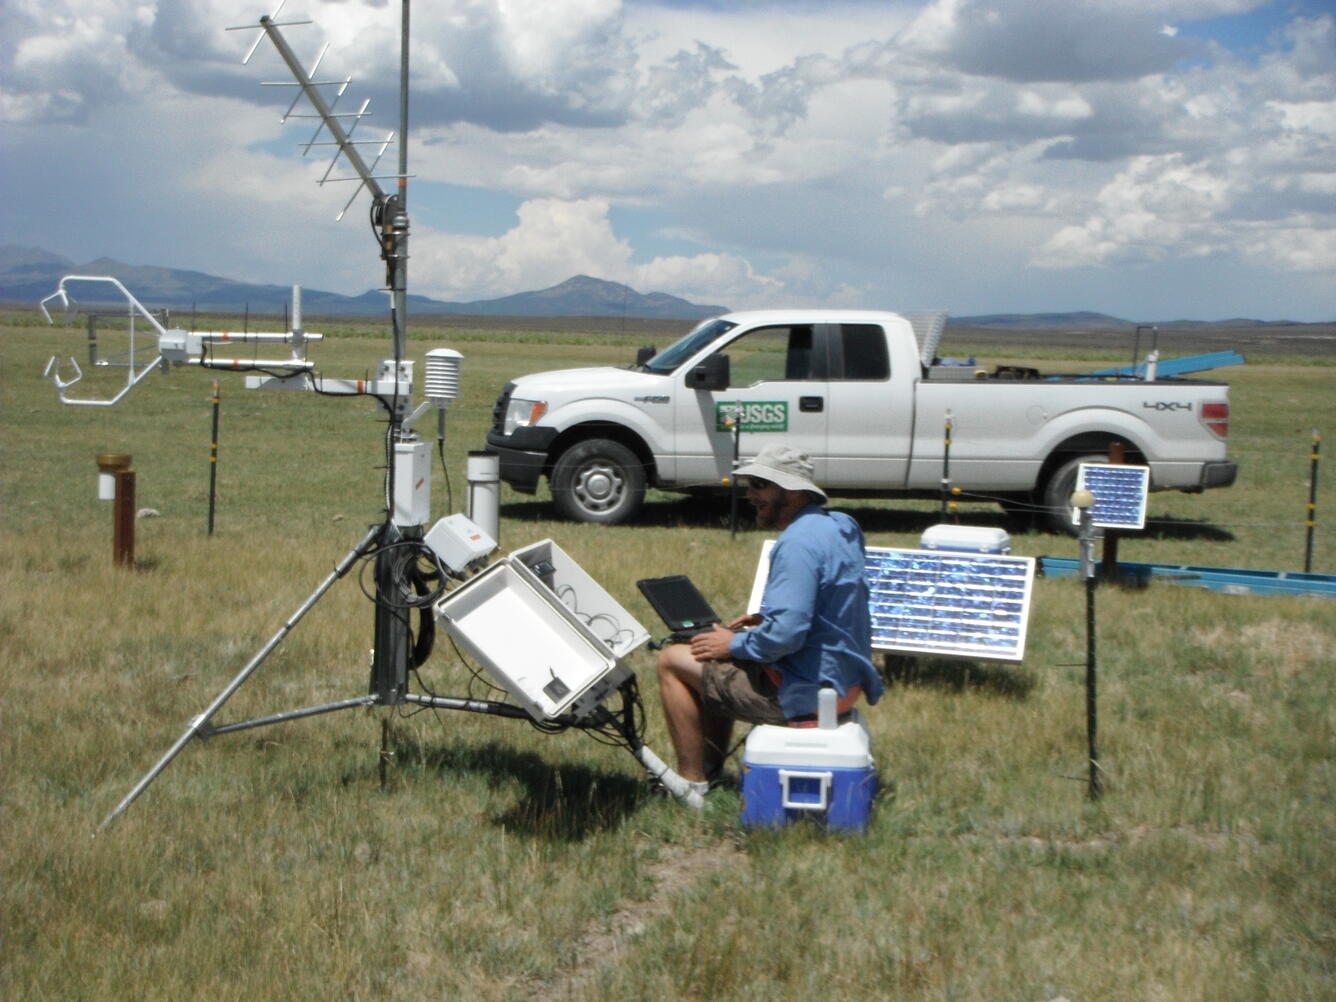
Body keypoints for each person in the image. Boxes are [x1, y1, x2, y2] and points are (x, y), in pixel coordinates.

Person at [656, 444, 882, 799]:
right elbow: (834, 598)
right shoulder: (841, 527)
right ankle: (712, 770)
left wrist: (733, 643)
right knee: (716, 657)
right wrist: (765, 620)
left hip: (806, 692)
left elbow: (787, 636)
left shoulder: (796, 544)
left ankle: (691, 783)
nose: (749, 495)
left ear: (791, 492)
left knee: (672, 660)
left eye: (759, 485)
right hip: (845, 681)